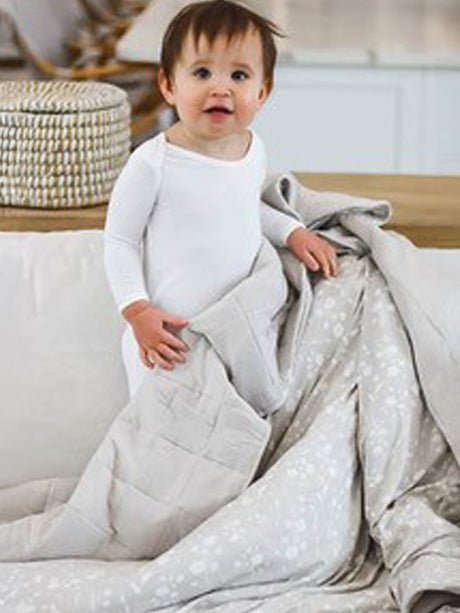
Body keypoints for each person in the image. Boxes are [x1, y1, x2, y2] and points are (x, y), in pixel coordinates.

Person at [104, 0, 338, 399]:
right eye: (201, 72)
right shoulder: (152, 164)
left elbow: (244, 208)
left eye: (239, 75)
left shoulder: (253, 149)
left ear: (262, 92)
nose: (220, 87)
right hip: (168, 335)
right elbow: (119, 240)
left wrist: (292, 231)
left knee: (235, 417)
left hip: (233, 331)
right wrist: (137, 310)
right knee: (160, 420)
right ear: (168, 85)